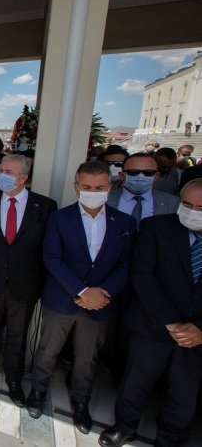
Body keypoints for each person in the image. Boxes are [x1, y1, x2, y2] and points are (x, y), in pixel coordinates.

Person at [26, 161, 135, 435]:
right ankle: (38, 392)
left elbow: (126, 265)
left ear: (109, 188)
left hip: (100, 304)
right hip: (63, 299)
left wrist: (100, 294)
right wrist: (82, 291)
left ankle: (81, 401)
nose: (93, 192)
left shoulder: (124, 223)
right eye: (86, 187)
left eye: (99, 187)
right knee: (47, 349)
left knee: (88, 357)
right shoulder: (60, 218)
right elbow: (52, 257)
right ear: (77, 187)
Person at [99, 179, 202, 447]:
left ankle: (171, 438)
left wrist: (199, 329)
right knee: (136, 382)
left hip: (197, 335)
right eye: (188, 204)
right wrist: (171, 321)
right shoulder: (156, 228)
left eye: (201, 207)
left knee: (185, 392)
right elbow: (143, 275)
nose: (193, 211)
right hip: (154, 324)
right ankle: (124, 426)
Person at [0, 155, 57, 406]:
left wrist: (42, 283)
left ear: (23, 178)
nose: (1, 175)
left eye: (8, 171)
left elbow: (48, 249)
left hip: (24, 283)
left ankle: (13, 379)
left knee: (17, 335)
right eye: (1, 170)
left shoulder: (45, 206)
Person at [107, 154, 180, 228]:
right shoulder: (105, 199)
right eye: (134, 172)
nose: (141, 176)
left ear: (156, 176)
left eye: (148, 173)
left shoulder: (173, 203)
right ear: (121, 175)